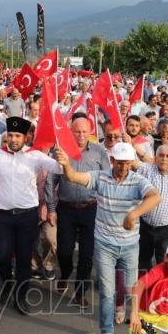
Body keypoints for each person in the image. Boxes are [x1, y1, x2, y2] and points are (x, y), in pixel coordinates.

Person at [55, 142, 160, 334]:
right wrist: (66, 165)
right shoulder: (100, 176)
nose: (123, 167)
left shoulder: (138, 181)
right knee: (106, 290)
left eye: (127, 163)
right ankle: (106, 332)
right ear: (111, 161)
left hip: (130, 245)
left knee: (130, 288)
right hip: (104, 244)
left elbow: (155, 197)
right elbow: (74, 177)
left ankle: (123, 309)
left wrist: (134, 214)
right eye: (120, 163)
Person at [0, 117, 63, 314]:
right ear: (6, 136)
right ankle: (7, 281)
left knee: (25, 258)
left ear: (26, 137)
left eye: (18, 136)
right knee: (1, 255)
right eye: (11, 135)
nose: (14, 139)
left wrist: (61, 157)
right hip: (3, 216)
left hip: (27, 217)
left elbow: (58, 169)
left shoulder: (35, 156)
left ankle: (21, 295)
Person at [45, 115, 110, 306]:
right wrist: (51, 208)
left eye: (84, 131)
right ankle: (65, 273)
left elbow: (107, 179)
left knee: (86, 254)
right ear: (70, 132)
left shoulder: (99, 153)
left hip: (91, 209)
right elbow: (51, 181)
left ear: (90, 132)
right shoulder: (60, 152)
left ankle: (81, 291)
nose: (81, 135)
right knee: (64, 251)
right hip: (66, 209)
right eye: (77, 131)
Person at [136, 145, 168, 272]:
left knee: (165, 261)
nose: (164, 159)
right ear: (155, 158)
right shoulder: (147, 169)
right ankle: (145, 286)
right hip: (145, 227)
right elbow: (132, 162)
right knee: (143, 260)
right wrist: (130, 143)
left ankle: (161, 288)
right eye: (161, 155)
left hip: (167, 229)